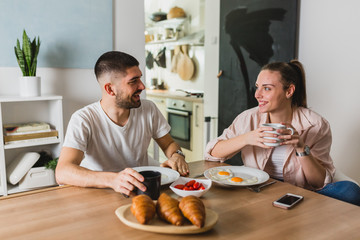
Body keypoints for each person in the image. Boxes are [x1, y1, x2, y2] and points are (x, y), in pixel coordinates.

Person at [205, 60, 360, 206]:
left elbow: (318, 183)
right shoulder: (248, 118)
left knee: (351, 191)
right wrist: (247, 138)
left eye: (266, 88)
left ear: (289, 91)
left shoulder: (316, 124)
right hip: (258, 191)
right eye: (257, 87)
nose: (257, 95)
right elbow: (212, 153)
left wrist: (301, 148)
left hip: (300, 195)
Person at [56, 51, 189, 197]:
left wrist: (177, 155)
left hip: (141, 191)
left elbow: (169, 144)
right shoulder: (83, 119)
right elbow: (63, 171)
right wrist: (113, 180)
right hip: (100, 193)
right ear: (110, 89)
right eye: (134, 81)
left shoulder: (149, 109)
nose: (142, 86)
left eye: (140, 79)